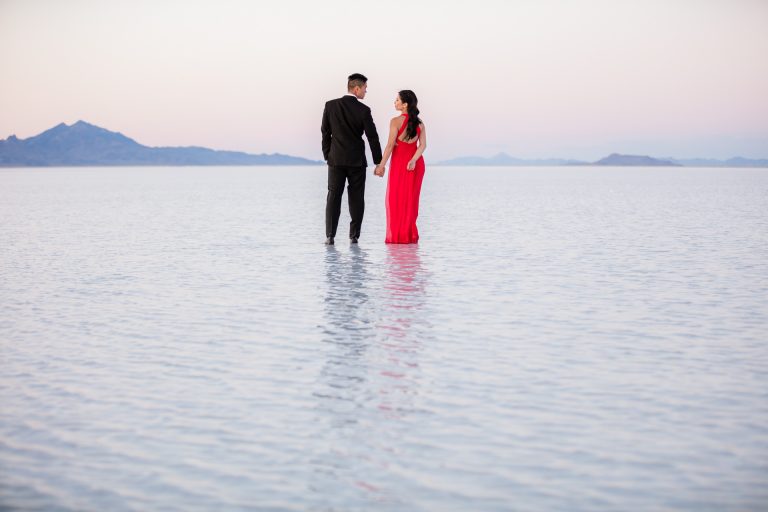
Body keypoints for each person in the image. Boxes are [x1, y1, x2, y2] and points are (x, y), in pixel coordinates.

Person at [321, 73, 382, 245]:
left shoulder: (330, 105)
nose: (365, 92)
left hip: (336, 160)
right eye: (364, 89)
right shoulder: (364, 110)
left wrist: (328, 155)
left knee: (333, 196)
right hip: (356, 161)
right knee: (356, 198)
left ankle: (330, 236)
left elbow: (325, 132)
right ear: (356, 88)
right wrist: (378, 161)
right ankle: (354, 236)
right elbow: (372, 137)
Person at [374, 90, 427, 244]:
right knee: (411, 200)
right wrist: (414, 160)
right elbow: (423, 145)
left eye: (397, 100)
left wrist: (381, 166)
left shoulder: (395, 121)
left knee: (395, 200)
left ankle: (397, 237)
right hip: (415, 164)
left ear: (405, 105)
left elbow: (390, 145)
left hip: (400, 164)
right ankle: (409, 236)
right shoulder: (421, 123)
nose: (394, 102)